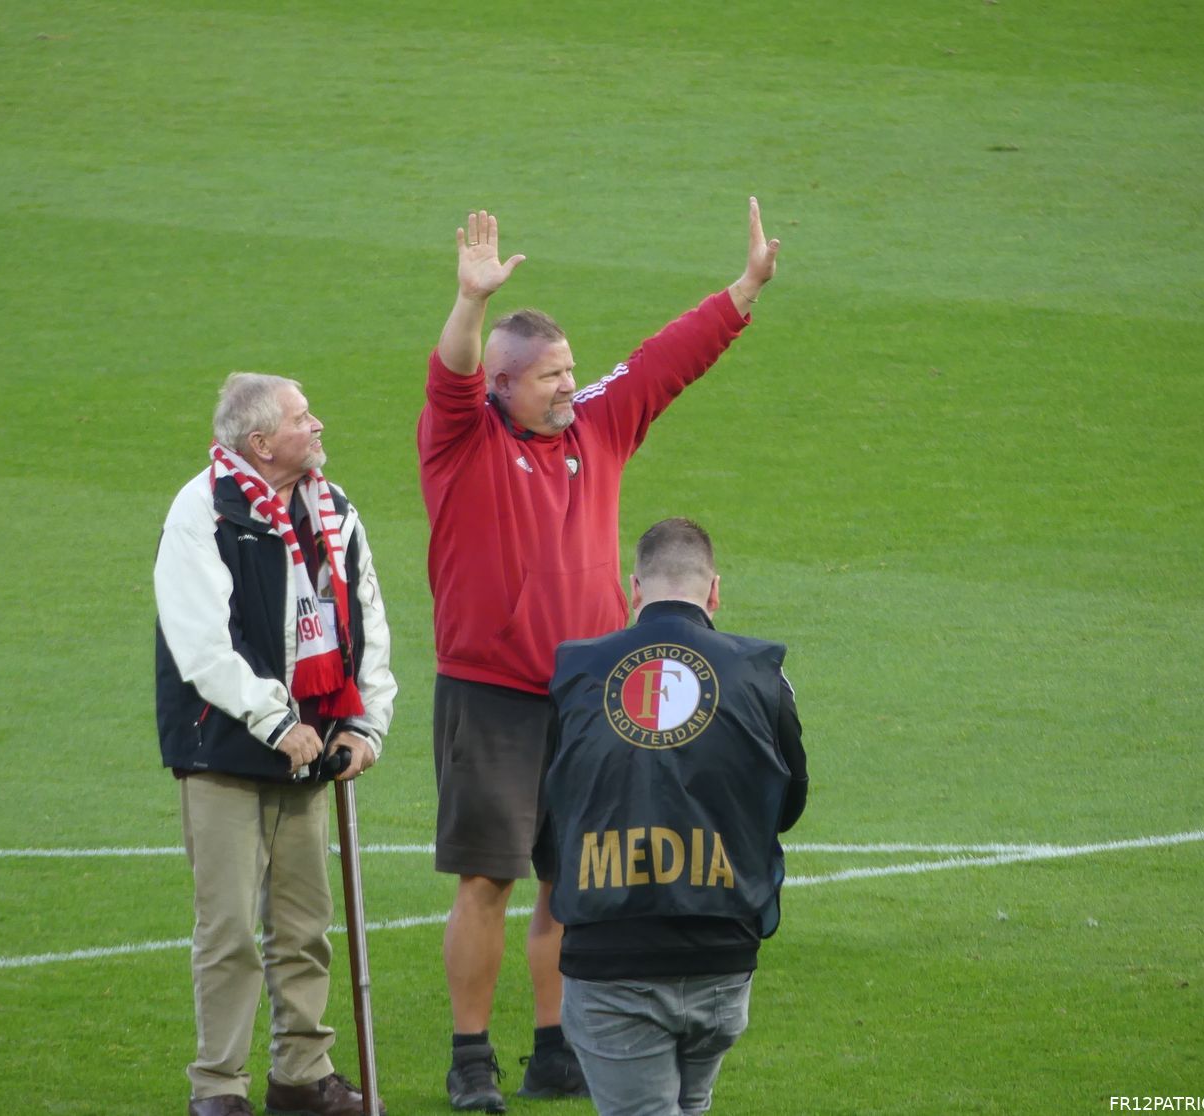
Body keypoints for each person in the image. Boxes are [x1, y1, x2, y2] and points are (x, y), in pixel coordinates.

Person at [418, 200, 781, 1111]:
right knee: (484, 880)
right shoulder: (462, 441)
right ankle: (471, 1060)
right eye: (548, 376)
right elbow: (449, 375)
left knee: (569, 879)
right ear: (501, 385)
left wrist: (741, 292)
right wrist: (469, 302)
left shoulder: (597, 426)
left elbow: (662, 364)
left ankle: (556, 1045)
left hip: (587, 694)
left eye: (573, 369)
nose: (569, 387)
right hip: (491, 694)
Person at [155, 372, 396, 1116]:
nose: (318, 425)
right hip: (225, 749)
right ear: (261, 443)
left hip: (310, 747)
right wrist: (274, 721)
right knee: (228, 928)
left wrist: (363, 723)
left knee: (302, 925)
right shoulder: (202, 512)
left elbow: (365, 618)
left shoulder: (333, 509)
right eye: (302, 418)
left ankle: (300, 1073)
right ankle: (218, 1087)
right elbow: (202, 645)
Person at [545, 517, 809, 1116]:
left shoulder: (576, 671)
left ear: (633, 588)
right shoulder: (761, 671)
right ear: (714, 591)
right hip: (723, 952)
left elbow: (548, 803)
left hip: (610, 952)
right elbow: (789, 802)